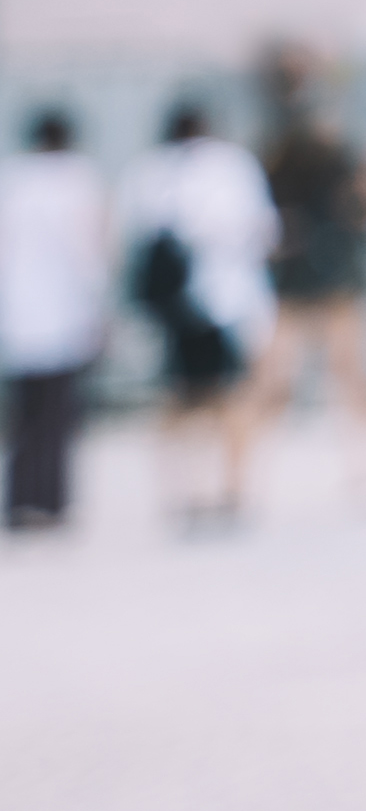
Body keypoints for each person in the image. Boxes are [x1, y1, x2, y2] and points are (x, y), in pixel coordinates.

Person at [253, 48, 366, 512]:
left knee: (352, 380)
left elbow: (363, 216)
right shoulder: (278, 150)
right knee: (275, 385)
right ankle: (245, 479)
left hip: (332, 283)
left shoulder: (327, 152)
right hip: (298, 286)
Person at [124, 97, 278, 529]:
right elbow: (261, 230)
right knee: (234, 397)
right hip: (230, 301)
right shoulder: (232, 166)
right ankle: (233, 487)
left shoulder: (148, 171)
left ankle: (183, 489)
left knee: (182, 399)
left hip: (178, 307)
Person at [3, 106, 107, 533]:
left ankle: (20, 497)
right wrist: (98, 306)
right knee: (59, 412)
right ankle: (52, 500)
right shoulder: (77, 179)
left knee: (25, 414)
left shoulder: (12, 178)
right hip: (63, 313)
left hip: (17, 314)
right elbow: (88, 251)